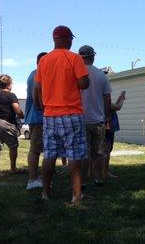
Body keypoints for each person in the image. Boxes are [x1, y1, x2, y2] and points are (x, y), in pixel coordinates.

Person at [34, 25, 90, 203]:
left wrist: (43, 107)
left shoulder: (43, 61)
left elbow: (38, 87)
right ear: (68, 39)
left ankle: (45, 193)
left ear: (54, 39)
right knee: (74, 155)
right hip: (71, 113)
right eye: (71, 39)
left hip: (49, 114)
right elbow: (83, 84)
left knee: (49, 155)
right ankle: (76, 195)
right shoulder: (74, 58)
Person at [78, 45, 112, 186]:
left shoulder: (75, 73)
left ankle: (83, 181)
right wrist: (107, 117)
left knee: (83, 152)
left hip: (80, 119)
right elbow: (107, 99)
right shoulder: (100, 75)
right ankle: (98, 178)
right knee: (98, 152)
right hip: (98, 120)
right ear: (93, 57)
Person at [0, 74, 24, 177]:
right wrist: (21, 114)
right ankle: (13, 168)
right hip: (6, 122)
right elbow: (17, 109)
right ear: (8, 84)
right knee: (13, 146)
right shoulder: (11, 95)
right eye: (11, 83)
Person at [24, 52, 47, 190]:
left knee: (41, 149)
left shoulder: (34, 73)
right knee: (35, 149)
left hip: (37, 117)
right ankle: (33, 179)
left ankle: (39, 176)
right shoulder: (36, 75)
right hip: (39, 117)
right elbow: (38, 97)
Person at [104, 88, 126, 177]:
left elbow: (114, 106)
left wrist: (120, 97)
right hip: (107, 128)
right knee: (107, 150)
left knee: (97, 151)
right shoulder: (104, 100)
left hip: (102, 127)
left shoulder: (98, 99)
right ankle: (105, 171)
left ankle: (92, 172)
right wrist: (122, 97)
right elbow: (118, 107)